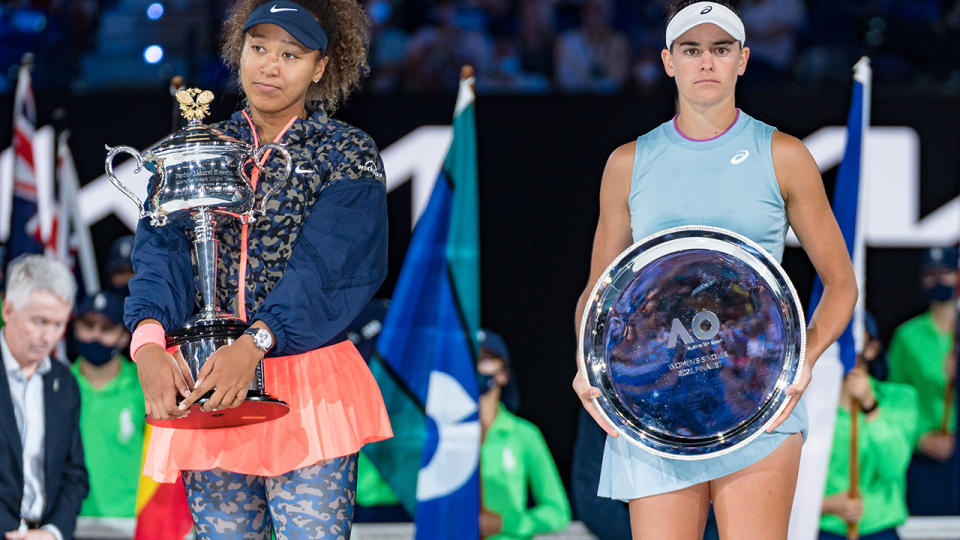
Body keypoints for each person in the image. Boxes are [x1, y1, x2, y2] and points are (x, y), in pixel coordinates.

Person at [571, 2, 858, 538]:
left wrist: (805, 357)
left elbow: (841, 284)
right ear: (668, 61)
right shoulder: (628, 162)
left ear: (743, 60)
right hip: (656, 400)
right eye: (692, 50)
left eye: (721, 50)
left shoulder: (783, 154)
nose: (707, 62)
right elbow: (598, 291)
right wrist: (589, 365)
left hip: (756, 403)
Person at [123, 1, 392, 537]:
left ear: (320, 67)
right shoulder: (198, 148)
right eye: (259, 47)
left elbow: (330, 270)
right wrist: (148, 343)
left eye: (290, 54)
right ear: (238, 51)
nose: (269, 65)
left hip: (307, 385)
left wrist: (255, 344)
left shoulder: (346, 153)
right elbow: (161, 255)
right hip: (207, 380)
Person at [0, 255, 88, 540]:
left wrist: (53, 532)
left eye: (58, 324)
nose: (48, 336)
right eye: (39, 321)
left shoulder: (64, 381)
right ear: (8, 310)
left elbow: (74, 475)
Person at [819, 315, 919, 540]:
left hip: (880, 531)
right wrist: (826, 505)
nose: (842, 340)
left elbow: (894, 468)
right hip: (824, 530)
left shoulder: (900, 398)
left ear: (872, 348)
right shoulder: (809, 405)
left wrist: (869, 405)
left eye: (851, 334)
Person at [477, 329, 570, 539]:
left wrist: (505, 523)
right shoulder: (444, 437)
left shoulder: (524, 434)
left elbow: (558, 512)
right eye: (469, 358)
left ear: (503, 373)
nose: (476, 367)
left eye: (484, 359)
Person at [887, 245, 958, 515]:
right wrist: (919, 438)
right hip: (927, 453)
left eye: (946, 272)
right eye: (932, 273)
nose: (938, 280)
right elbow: (896, 397)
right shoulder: (907, 336)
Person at [69, 291, 143, 519]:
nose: (95, 336)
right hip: (71, 520)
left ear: (123, 336)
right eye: (87, 326)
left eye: (107, 328)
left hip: (132, 521)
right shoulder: (58, 384)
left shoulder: (144, 385)